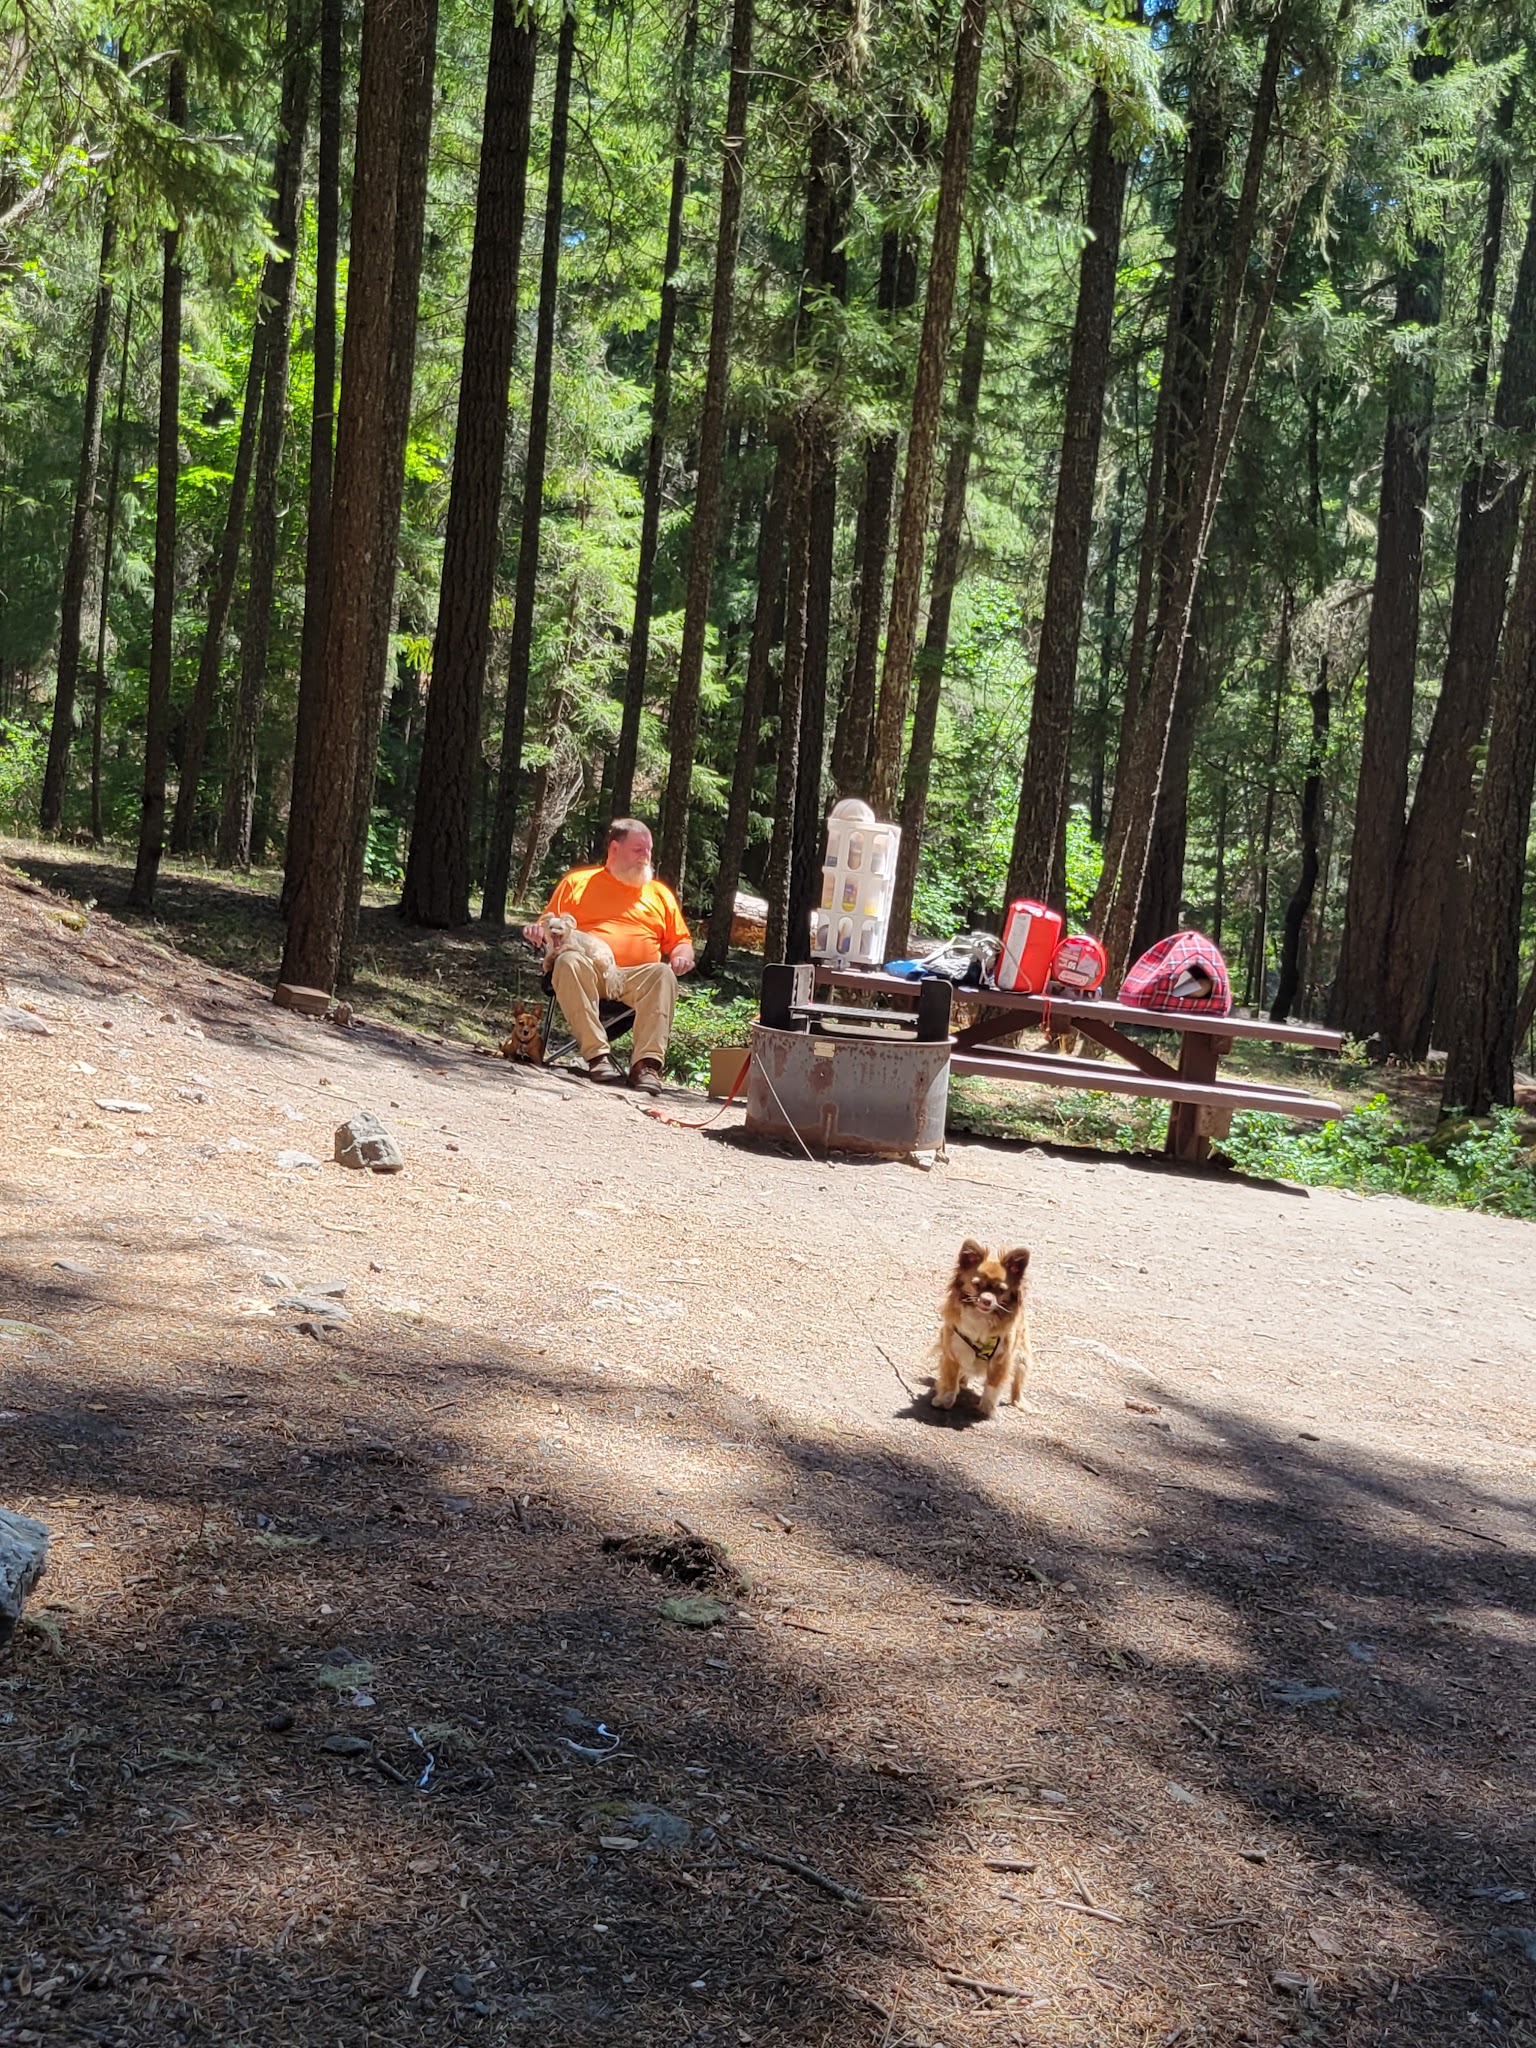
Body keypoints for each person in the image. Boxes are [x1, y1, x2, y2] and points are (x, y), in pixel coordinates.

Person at [524, 818, 695, 1093]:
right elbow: (549, 926)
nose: (646, 856)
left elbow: (681, 942)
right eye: (638, 849)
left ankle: (646, 1066)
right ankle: (597, 1056)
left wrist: (681, 955)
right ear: (614, 849)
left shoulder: (659, 894)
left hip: (633, 980)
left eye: (649, 850)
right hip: (586, 972)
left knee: (663, 973)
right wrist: (536, 931)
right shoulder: (577, 883)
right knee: (567, 960)